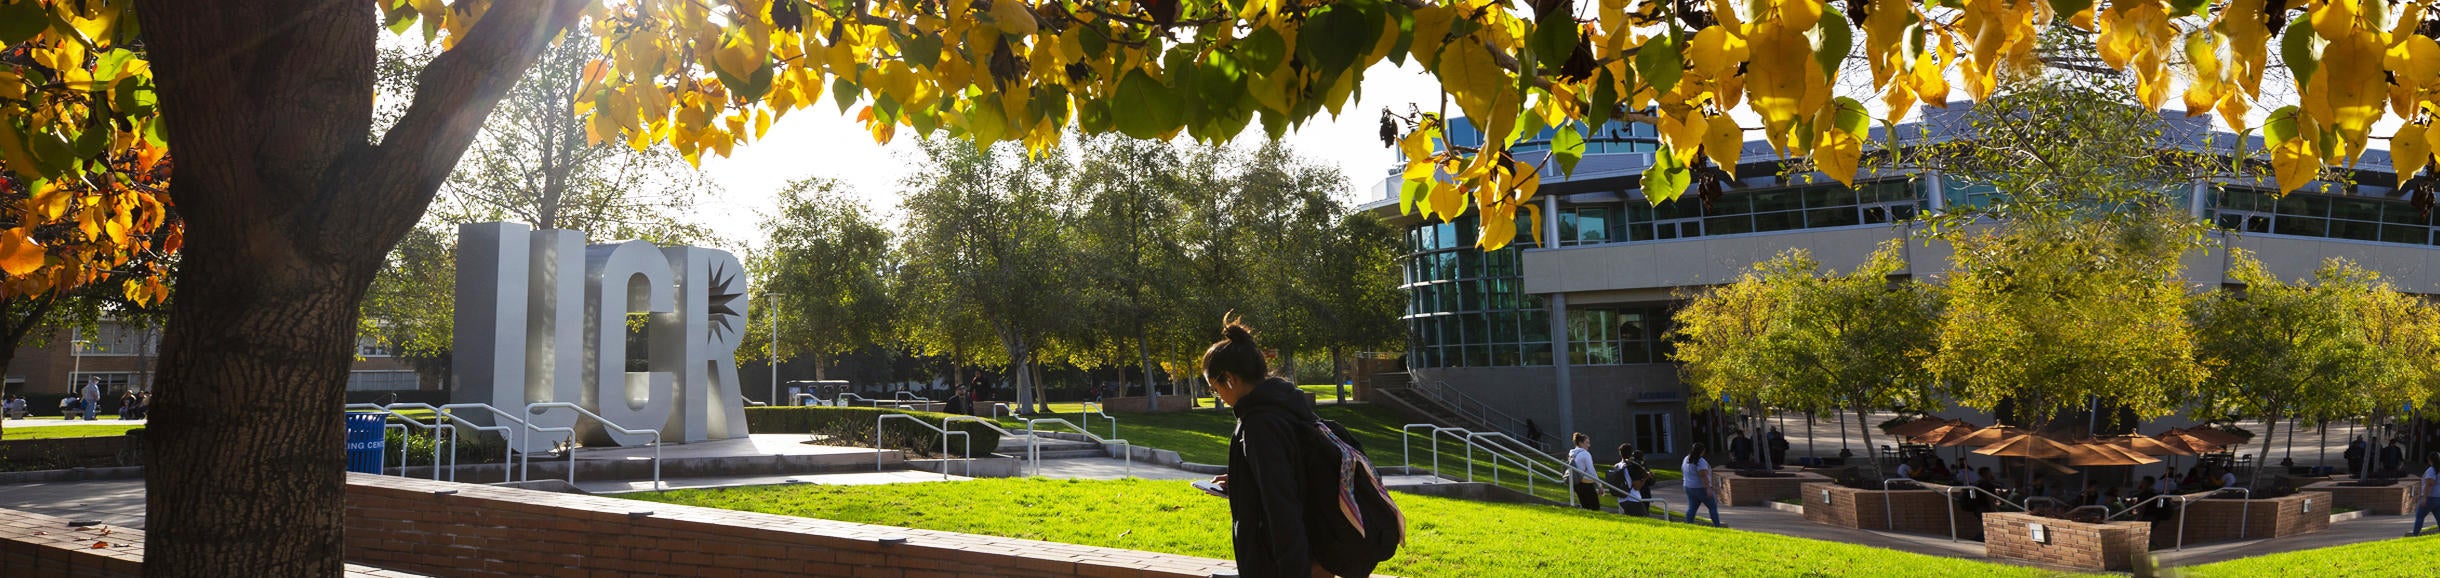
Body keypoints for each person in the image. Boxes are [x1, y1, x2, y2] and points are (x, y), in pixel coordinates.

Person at [1202, 318, 1397, 577]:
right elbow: (1296, 471)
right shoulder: (1289, 408)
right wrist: (1243, 480)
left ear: (1229, 379)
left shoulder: (1259, 424)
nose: (1220, 398)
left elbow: (1281, 504)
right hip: (1318, 549)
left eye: (1215, 389)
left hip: (1292, 563)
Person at [1607, 444, 1654, 517]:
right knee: (1644, 521)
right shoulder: (1632, 466)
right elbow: (1637, 486)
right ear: (1631, 453)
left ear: (1620, 453)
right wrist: (1645, 478)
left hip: (1622, 499)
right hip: (1633, 498)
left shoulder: (1617, 466)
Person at [1683, 443, 1722, 527]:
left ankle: (1688, 524)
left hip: (1688, 486)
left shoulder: (1686, 459)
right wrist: (1708, 488)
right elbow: (1703, 475)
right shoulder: (1700, 461)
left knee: (1692, 508)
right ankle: (1717, 525)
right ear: (1702, 451)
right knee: (1712, 507)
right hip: (1701, 488)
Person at [1568, 432, 1600, 511]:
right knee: (1595, 507)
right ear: (1580, 443)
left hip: (1576, 483)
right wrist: (1599, 484)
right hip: (1586, 484)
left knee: (1585, 506)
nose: (1589, 445)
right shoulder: (1585, 454)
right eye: (1587, 443)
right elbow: (1591, 470)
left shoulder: (1572, 454)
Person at [2413, 451, 2439, 537]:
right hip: (2438, 497)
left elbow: (2429, 484)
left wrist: (2424, 498)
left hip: (2430, 497)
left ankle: (2415, 534)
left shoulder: (2431, 470)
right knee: (2439, 517)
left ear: (2430, 460)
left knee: (2420, 517)